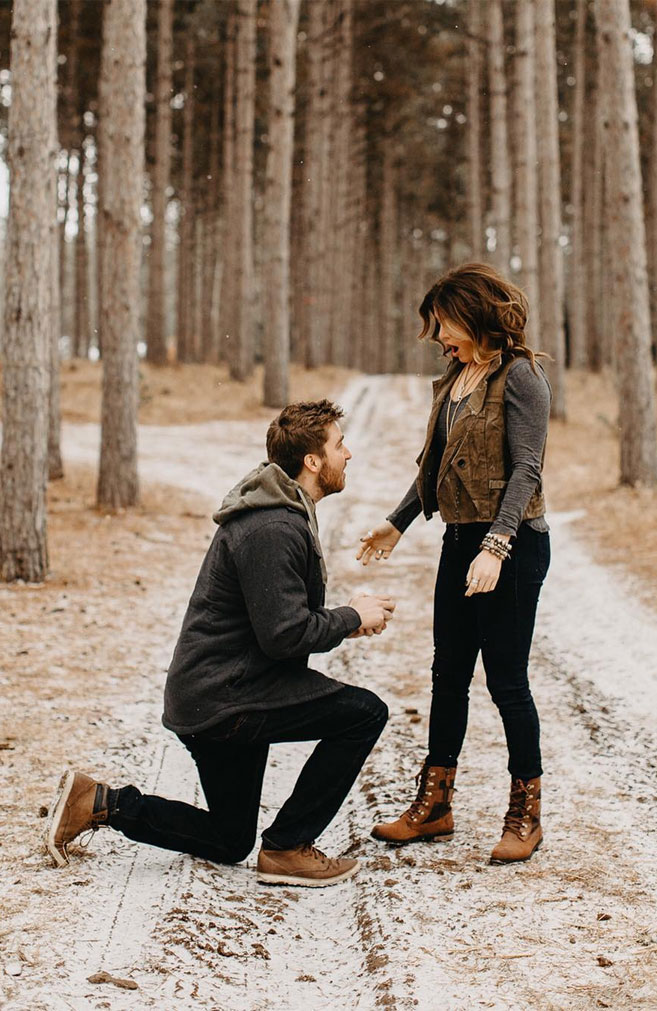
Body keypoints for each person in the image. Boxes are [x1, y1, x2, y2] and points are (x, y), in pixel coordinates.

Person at [47, 400, 394, 887]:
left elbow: (277, 620)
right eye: (339, 445)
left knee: (230, 839)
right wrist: (350, 615)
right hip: (228, 699)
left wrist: (345, 621)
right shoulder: (274, 526)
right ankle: (289, 847)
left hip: (220, 692)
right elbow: (284, 637)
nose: (349, 454)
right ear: (312, 461)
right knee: (364, 713)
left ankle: (99, 802)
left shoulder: (283, 511)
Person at [358, 262, 551, 864]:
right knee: (448, 673)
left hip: (513, 546)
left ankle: (526, 814)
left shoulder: (521, 377)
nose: (438, 336)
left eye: (443, 324)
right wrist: (398, 521)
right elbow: (434, 464)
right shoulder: (453, 378)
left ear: (472, 315)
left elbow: (527, 469)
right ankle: (435, 805)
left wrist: (497, 546)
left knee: (506, 680)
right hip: (459, 541)